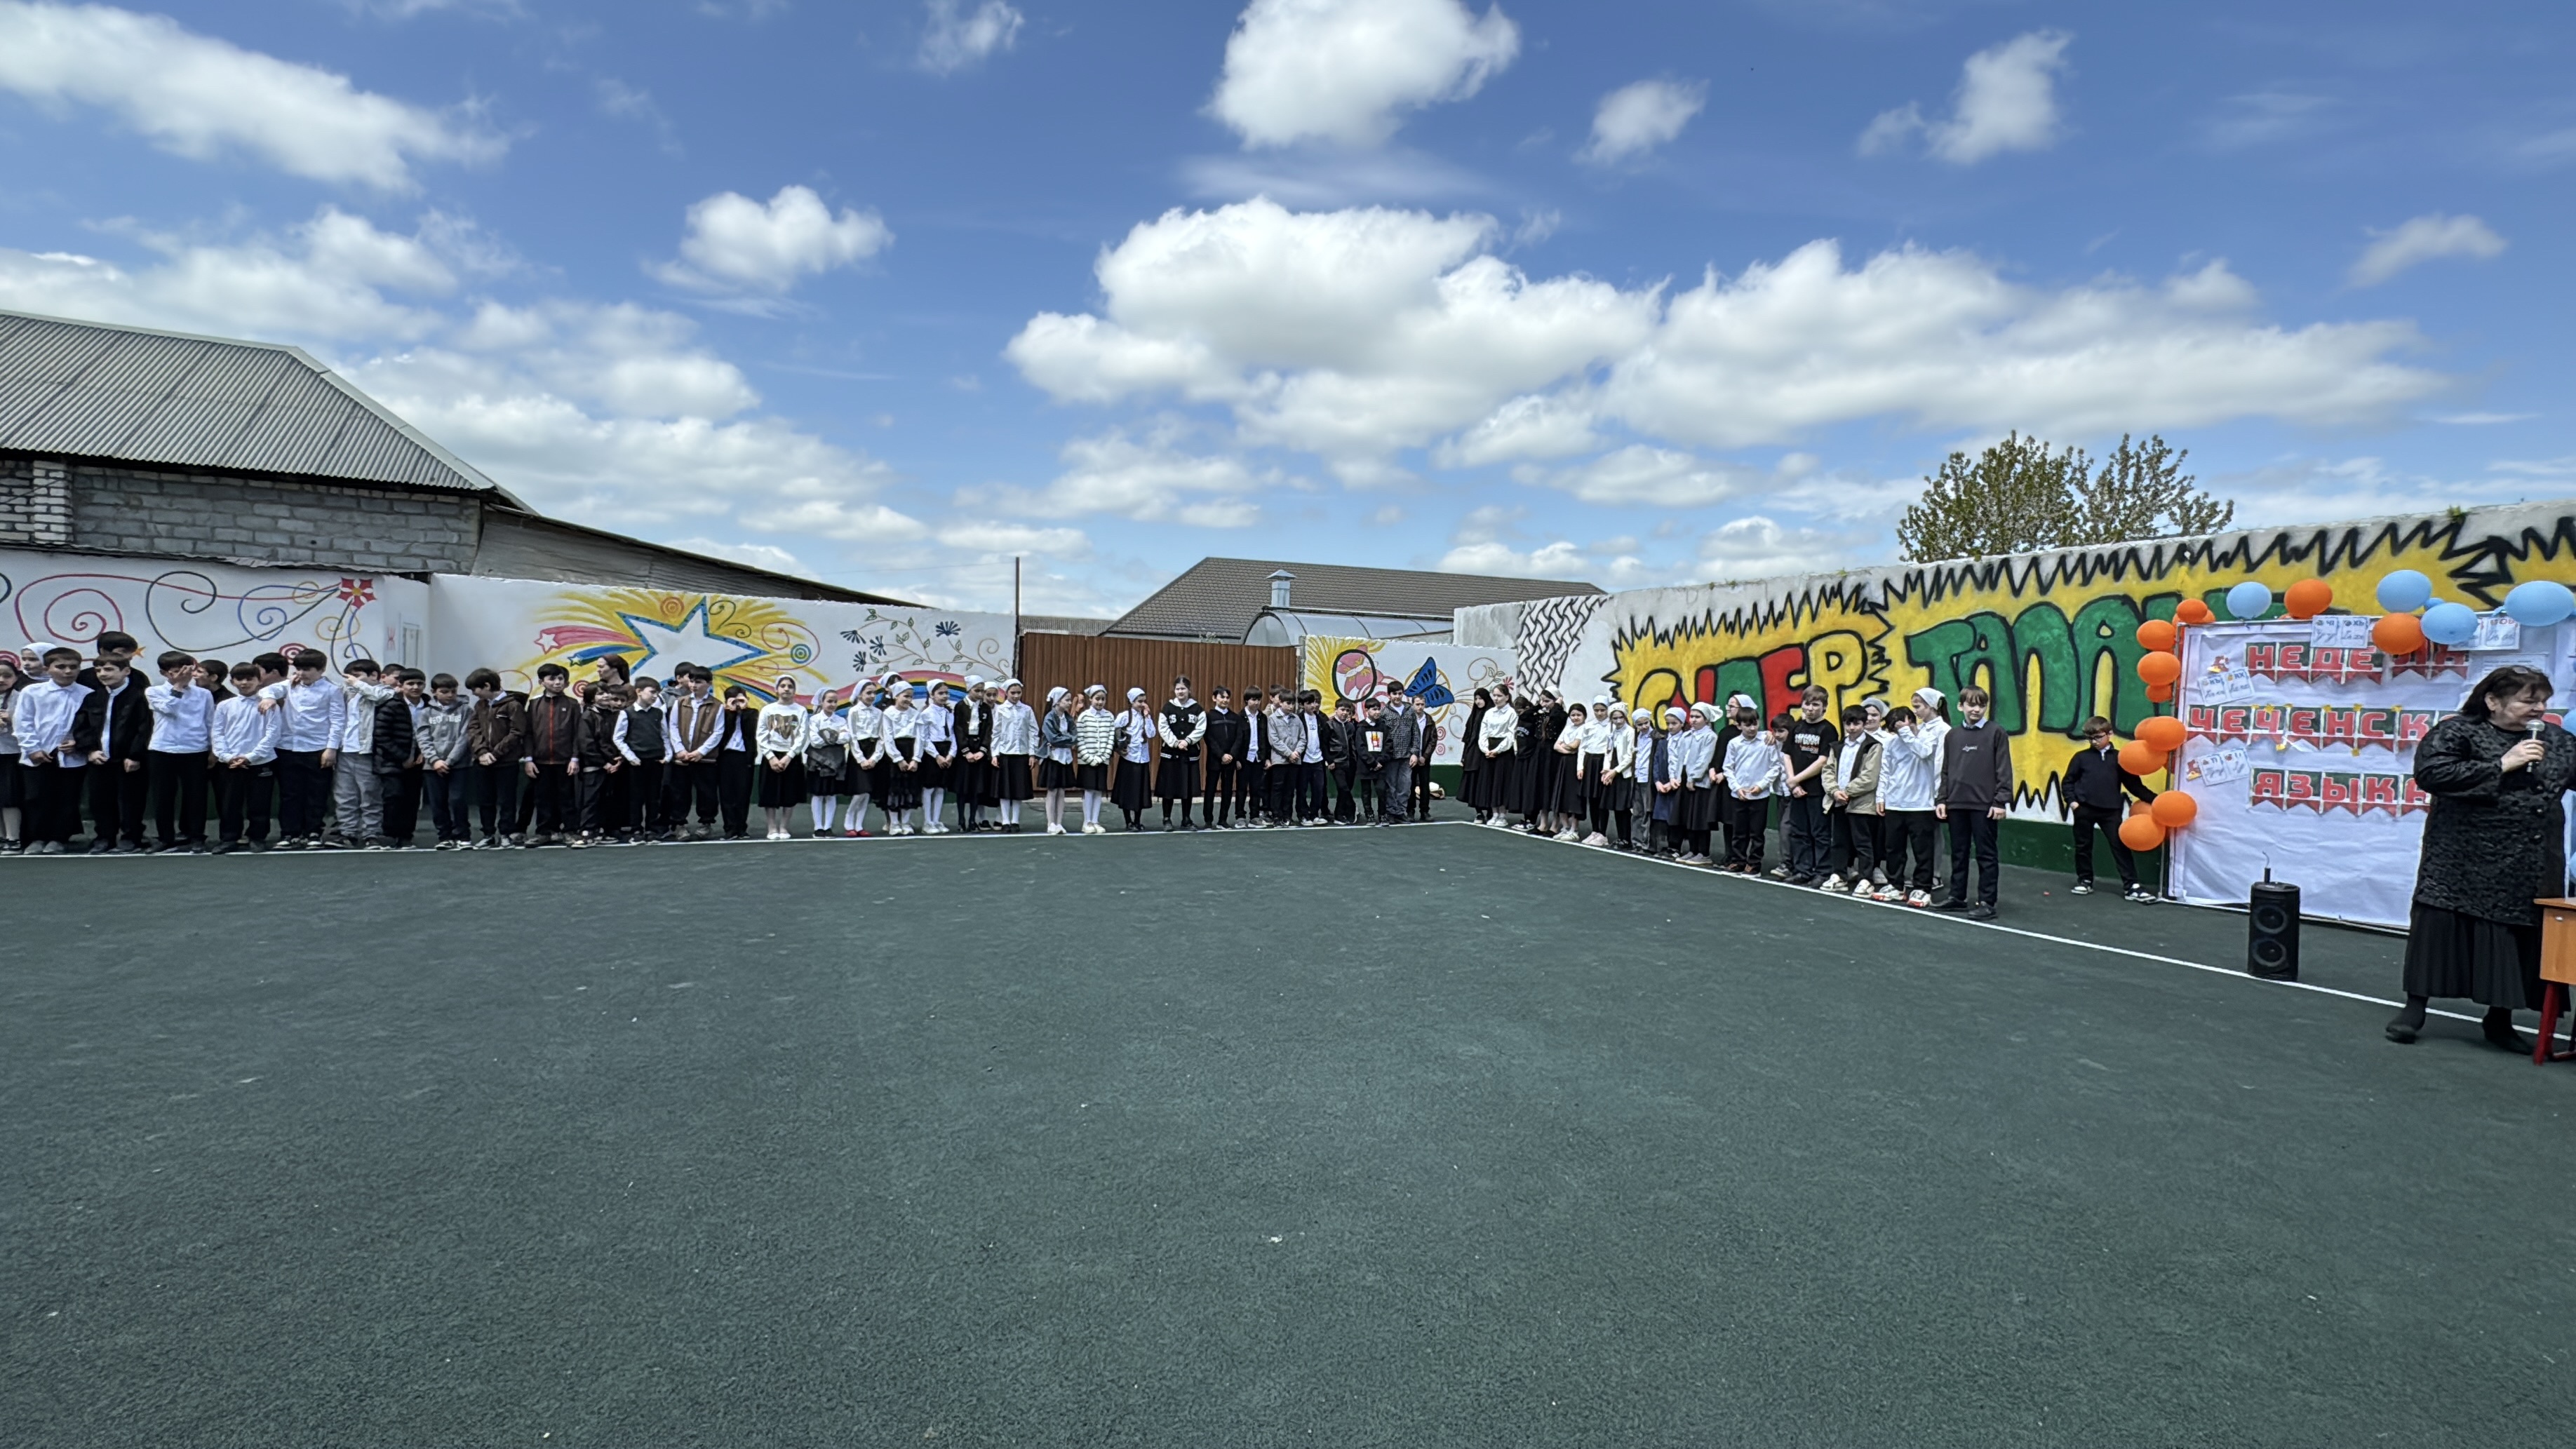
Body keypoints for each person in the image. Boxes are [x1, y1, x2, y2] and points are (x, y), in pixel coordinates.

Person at [2389, 664, 2576, 1050]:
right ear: (2493, 701)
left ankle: (2500, 1020)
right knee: (2441, 930)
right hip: (2462, 859)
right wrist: (2502, 764)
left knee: (2516, 937)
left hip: (2529, 861)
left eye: (2544, 701)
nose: (2540, 709)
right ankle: (2415, 1008)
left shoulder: (2557, 740)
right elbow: (2432, 774)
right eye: (2529, 701)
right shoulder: (2458, 732)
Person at [1936, 685, 2012, 919]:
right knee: (1958, 853)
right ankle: (1957, 897)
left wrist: (2000, 801)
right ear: (1961, 706)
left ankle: (1987, 902)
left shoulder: (1996, 732)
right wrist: (1942, 799)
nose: (1976, 710)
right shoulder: (1952, 735)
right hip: (1956, 804)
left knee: (1986, 855)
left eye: (1981, 705)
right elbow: (1946, 770)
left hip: (1985, 806)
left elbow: (2004, 768)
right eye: (1971, 705)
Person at [2062, 715, 2157, 901]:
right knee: (2083, 846)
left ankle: (2132, 886)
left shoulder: (2121, 759)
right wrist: (2073, 803)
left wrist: (2157, 801)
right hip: (2084, 809)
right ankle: (2085, 881)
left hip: (2111, 811)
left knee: (2120, 847)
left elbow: (2135, 786)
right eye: (2090, 738)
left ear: (2110, 734)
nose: (2094, 742)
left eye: (2098, 737)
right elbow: (2068, 782)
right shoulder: (2081, 758)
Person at [69, 654, 150, 854]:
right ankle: (105, 837)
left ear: (126, 671)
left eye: (108, 669)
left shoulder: (140, 697)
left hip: (128, 760)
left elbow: (145, 728)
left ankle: (131, 837)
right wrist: (90, 750)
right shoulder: (93, 698)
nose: (102, 674)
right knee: (100, 800)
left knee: (131, 801)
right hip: (99, 758)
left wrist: (135, 755)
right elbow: (82, 727)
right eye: (98, 670)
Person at [13, 647, 88, 854]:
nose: (68, 671)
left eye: (73, 667)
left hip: (71, 756)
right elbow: (23, 722)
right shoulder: (32, 692)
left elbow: (90, 726)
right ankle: (37, 838)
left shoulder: (87, 694)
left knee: (66, 798)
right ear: (47, 669)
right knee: (35, 798)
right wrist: (32, 748)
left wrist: (78, 743)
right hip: (38, 753)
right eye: (61, 667)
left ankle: (58, 838)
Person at [1874, 693, 1945, 907]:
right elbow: (1885, 771)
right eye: (1895, 729)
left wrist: (1906, 732)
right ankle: (1896, 886)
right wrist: (1881, 796)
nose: (1898, 732)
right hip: (1895, 803)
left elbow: (1923, 753)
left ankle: (1923, 888)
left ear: (1911, 722)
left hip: (1921, 805)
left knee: (1922, 850)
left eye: (1901, 726)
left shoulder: (1928, 737)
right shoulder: (1891, 743)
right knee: (1893, 849)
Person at [144, 650, 213, 854]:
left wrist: (213, 750)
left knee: (196, 796)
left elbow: (210, 722)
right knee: (163, 797)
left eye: (188, 671)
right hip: (163, 749)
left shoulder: (204, 694)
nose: (184, 675)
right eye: (176, 672)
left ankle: (197, 837)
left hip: (195, 749)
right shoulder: (154, 691)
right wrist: (179, 687)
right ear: (164, 673)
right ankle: (165, 838)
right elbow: (169, 709)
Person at [210, 662, 280, 852]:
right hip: (230, 764)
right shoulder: (225, 705)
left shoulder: (269, 705)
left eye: (250, 679)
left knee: (259, 803)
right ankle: (229, 838)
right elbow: (217, 733)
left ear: (259, 681)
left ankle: (257, 837)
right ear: (232, 682)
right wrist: (227, 757)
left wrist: (251, 757)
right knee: (229, 804)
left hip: (261, 762)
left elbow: (272, 734)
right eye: (239, 679)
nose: (245, 683)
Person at [1777, 686, 1839, 885]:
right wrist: (1793, 783)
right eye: (1807, 704)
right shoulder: (1797, 727)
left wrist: (1797, 779)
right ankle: (1803, 870)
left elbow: (1823, 760)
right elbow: (1787, 754)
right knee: (1799, 832)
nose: (1810, 708)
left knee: (1820, 833)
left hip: (1817, 791)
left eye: (1816, 705)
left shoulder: (1828, 730)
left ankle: (1822, 872)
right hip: (1797, 791)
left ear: (1824, 707)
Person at [1818, 704, 1881, 896]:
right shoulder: (1837, 747)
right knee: (1839, 841)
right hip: (1838, 802)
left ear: (1864, 724)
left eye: (1857, 724)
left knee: (1863, 843)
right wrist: (1834, 792)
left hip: (1861, 805)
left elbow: (1870, 777)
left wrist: (1847, 792)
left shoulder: (1873, 746)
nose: (1852, 728)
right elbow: (1828, 770)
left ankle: (1866, 879)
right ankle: (1839, 876)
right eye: (1848, 724)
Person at [465, 668, 525, 849]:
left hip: (506, 762)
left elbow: (517, 732)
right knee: (485, 800)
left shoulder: (513, 705)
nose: (474, 694)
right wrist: (482, 752)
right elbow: (474, 729)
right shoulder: (480, 706)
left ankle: (506, 834)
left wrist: (496, 753)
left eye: (475, 689)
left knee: (507, 800)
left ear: (487, 686)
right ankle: (488, 834)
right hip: (483, 761)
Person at [522, 662, 580, 847]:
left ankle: (570, 831)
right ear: (542, 682)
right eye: (552, 679)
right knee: (543, 798)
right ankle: (544, 832)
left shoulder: (572, 704)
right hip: (540, 761)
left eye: (560, 679)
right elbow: (528, 734)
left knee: (567, 798)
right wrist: (529, 759)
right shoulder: (534, 705)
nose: (557, 682)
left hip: (565, 761)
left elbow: (577, 733)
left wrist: (575, 758)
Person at [664, 666, 724, 840]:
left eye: (698, 682)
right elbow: (673, 727)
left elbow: (717, 732)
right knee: (679, 792)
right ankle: (679, 825)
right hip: (682, 758)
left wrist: (701, 752)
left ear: (709, 684)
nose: (694, 685)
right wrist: (680, 750)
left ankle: (706, 824)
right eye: (691, 681)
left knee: (707, 793)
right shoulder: (680, 702)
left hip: (705, 759)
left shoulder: (717, 706)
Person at [417, 673, 474, 850]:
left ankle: (463, 835)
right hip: (433, 766)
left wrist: (449, 760)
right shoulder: (426, 712)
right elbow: (423, 737)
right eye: (444, 691)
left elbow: (465, 737)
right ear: (434, 692)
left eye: (453, 691)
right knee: (438, 803)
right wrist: (435, 760)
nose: (450, 695)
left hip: (459, 764)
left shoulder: (466, 710)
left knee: (457, 800)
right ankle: (445, 837)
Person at [1724, 710, 1783, 874]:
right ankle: (1738, 861)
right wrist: (1737, 788)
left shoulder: (1767, 741)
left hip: (1760, 796)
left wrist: (1761, 786)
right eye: (1747, 725)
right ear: (1739, 726)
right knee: (1739, 832)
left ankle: (1754, 863)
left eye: (1755, 724)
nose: (1752, 728)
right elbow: (1728, 768)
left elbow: (1775, 767)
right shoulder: (1734, 744)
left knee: (1757, 833)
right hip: (1739, 795)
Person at [754, 681, 808, 841]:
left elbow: (802, 736)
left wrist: (789, 756)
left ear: (794, 690)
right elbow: (761, 734)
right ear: (777, 690)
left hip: (791, 756)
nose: (786, 689)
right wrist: (771, 757)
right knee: (769, 793)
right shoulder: (768, 710)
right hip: (771, 756)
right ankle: (772, 827)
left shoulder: (801, 710)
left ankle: (784, 826)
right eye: (783, 686)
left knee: (789, 793)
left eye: (790, 687)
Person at [1157, 676, 1207, 830]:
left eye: (1183, 689)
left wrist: (1187, 741)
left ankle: (1186, 818)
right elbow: (1163, 728)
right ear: (1174, 690)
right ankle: (1167, 818)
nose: (1180, 692)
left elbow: (1201, 728)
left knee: (1188, 788)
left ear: (1189, 690)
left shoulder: (1197, 709)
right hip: (1170, 755)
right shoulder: (1167, 708)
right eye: (1178, 689)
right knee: (1169, 788)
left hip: (1189, 754)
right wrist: (1175, 743)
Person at [802, 689, 852, 837]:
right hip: (818, 761)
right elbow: (815, 741)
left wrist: (828, 736)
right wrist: (836, 736)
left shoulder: (841, 720)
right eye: (829, 701)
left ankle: (828, 826)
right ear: (822, 702)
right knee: (818, 794)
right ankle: (818, 827)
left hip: (836, 761)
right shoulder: (814, 720)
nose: (832, 704)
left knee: (831, 794)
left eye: (835, 701)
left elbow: (846, 738)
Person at [990, 678, 1038, 833]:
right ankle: (1005, 820)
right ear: (1006, 693)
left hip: (1022, 754)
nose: (1016, 696)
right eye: (1013, 693)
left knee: (1018, 789)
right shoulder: (1000, 710)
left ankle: (1015, 820)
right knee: (1005, 790)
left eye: (1019, 692)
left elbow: (1033, 731)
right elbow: (996, 733)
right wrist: (995, 754)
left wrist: (1032, 753)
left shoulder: (1027, 710)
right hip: (1005, 754)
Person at [877, 680, 924, 835]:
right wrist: (898, 759)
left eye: (911, 697)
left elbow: (920, 738)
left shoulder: (915, 714)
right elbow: (888, 738)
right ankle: (894, 823)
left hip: (911, 751)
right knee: (895, 789)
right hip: (895, 755)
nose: (909, 700)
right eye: (906, 696)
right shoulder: (888, 714)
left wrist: (916, 759)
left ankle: (906, 822)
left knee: (909, 789)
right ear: (896, 696)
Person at [840, 678, 885, 837]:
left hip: (873, 751)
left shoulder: (879, 713)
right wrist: (861, 759)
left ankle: (859, 825)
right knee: (860, 791)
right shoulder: (854, 712)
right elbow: (852, 737)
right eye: (868, 693)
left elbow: (882, 737)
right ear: (860, 695)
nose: (872, 696)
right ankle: (849, 820)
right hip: (859, 751)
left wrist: (875, 758)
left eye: (874, 693)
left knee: (867, 792)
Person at [713, 685, 758, 839]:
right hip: (726, 757)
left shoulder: (752, 713)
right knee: (727, 794)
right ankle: (730, 828)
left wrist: (743, 710)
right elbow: (725, 730)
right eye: (734, 700)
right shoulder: (723, 714)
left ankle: (741, 828)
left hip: (744, 757)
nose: (737, 704)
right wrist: (731, 712)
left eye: (741, 700)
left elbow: (750, 730)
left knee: (743, 794)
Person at [953, 677, 995, 833]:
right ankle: (961, 820)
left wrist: (982, 750)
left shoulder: (985, 708)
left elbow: (988, 730)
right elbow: (958, 729)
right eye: (977, 691)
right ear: (969, 690)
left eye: (982, 691)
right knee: (962, 788)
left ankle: (972, 820)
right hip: (965, 752)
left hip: (979, 751)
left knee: (976, 788)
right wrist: (966, 751)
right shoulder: (960, 706)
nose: (980, 694)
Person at [1074, 684, 1117, 834]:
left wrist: (1104, 756)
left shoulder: (1109, 716)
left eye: (1103, 699)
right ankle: (1087, 822)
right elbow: (1080, 740)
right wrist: (1089, 758)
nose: (1100, 702)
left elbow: (1111, 738)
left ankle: (1096, 820)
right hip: (1087, 761)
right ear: (1091, 699)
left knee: (1099, 791)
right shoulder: (1084, 716)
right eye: (1097, 699)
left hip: (1102, 760)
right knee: (1089, 791)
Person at [1111, 686, 1155, 831]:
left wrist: (1148, 717)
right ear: (1132, 702)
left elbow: (1152, 734)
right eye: (1139, 701)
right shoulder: (1125, 716)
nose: (1142, 704)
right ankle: (1128, 821)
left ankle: (1137, 820)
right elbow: (1114, 731)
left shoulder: (1145, 717)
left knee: (1140, 791)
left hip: (1143, 758)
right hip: (1129, 758)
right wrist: (1119, 749)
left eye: (1144, 701)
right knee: (1128, 791)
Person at [1203, 686, 1247, 829]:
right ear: (1214, 698)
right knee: (1210, 790)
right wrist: (1221, 755)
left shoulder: (1235, 718)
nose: (1225, 700)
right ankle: (1208, 821)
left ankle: (1223, 820)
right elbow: (1209, 738)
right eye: (1222, 697)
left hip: (1230, 761)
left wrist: (1232, 755)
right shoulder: (1209, 717)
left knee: (1227, 791)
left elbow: (1239, 738)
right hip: (1215, 760)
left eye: (1228, 697)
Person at [1038, 685, 1079, 835]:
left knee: (1062, 791)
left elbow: (1075, 736)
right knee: (1052, 791)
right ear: (1057, 701)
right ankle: (1051, 823)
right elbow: (1052, 738)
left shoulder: (1068, 718)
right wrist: (1068, 739)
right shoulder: (1049, 718)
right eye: (1067, 700)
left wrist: (1065, 740)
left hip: (1065, 757)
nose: (1069, 703)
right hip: (1053, 758)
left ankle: (1059, 822)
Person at [918, 680, 958, 834]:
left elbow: (952, 735)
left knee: (941, 788)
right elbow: (924, 738)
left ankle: (936, 820)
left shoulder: (949, 713)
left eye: (946, 693)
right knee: (929, 788)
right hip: (932, 753)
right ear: (932, 695)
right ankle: (927, 822)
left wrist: (951, 754)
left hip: (946, 751)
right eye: (940, 693)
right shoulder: (926, 714)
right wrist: (937, 756)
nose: (944, 696)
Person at [1382, 685, 1424, 827]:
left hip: (1407, 756)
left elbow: (1416, 732)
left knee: (1405, 786)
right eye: (1394, 694)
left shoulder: (1410, 710)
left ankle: (1401, 812)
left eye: (1400, 693)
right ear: (1389, 695)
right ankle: (1391, 812)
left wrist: (1415, 753)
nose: (1397, 696)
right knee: (1391, 786)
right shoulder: (1384, 712)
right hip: (1391, 756)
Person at [1473, 686, 1515, 826]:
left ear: (1507, 697)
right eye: (1495, 696)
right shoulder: (1489, 712)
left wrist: (1498, 750)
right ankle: (1494, 813)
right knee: (1490, 782)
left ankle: (1502, 815)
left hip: (1503, 752)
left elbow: (1511, 735)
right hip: (1489, 750)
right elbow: (1483, 732)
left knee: (1501, 782)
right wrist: (1486, 749)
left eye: (1499, 696)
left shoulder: (1511, 713)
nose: (1496, 699)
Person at [1263, 689, 1306, 826]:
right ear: (1280, 703)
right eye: (1288, 703)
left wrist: (1297, 752)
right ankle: (1277, 815)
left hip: (1295, 761)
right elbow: (1274, 740)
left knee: (1290, 790)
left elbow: (1303, 738)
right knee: (1278, 789)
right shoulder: (1273, 719)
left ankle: (1287, 815)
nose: (1291, 706)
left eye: (1293, 703)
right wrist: (1289, 753)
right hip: (1280, 761)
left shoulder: (1296, 719)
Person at [0, 656, 25, 854]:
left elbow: (29, 725)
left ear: (16, 677)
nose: (1, 680)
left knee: (9, 798)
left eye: (7, 676)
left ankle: (13, 838)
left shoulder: (21, 697)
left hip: (11, 753)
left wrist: (11, 720)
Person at [1235, 688, 1268, 828]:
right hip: (1244, 759)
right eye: (1253, 700)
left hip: (1258, 758)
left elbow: (1266, 739)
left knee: (1256, 789)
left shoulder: (1263, 717)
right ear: (1246, 701)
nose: (1256, 703)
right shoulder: (1239, 717)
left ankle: (1254, 816)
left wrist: (1267, 758)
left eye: (1259, 700)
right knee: (1241, 789)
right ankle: (1240, 817)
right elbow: (1236, 740)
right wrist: (1237, 759)